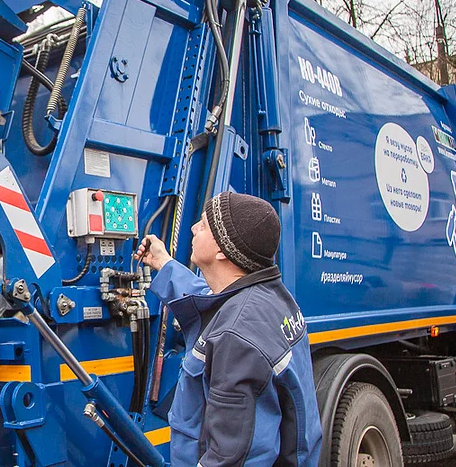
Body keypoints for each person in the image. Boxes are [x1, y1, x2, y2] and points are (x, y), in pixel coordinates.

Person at [137, 191, 322, 466]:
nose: (193, 228)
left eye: (203, 225)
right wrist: (164, 263)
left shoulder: (237, 339)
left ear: (222, 250)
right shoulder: (268, 298)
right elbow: (207, 298)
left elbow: (232, 457)